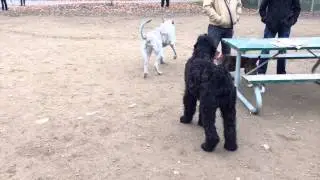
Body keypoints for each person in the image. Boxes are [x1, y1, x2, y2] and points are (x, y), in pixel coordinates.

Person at [258, 0, 301, 75]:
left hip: (285, 25)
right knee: (265, 49)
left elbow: (297, 8)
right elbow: (262, 7)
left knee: (282, 50)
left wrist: (292, 21)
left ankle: (281, 73)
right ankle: (261, 72)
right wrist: (265, 19)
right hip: (270, 25)